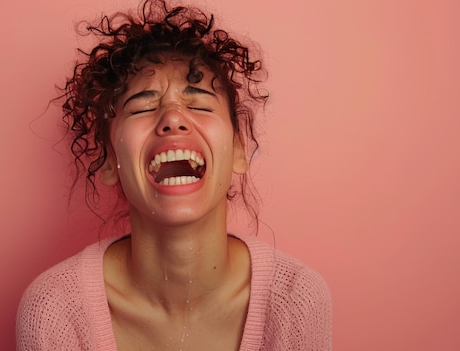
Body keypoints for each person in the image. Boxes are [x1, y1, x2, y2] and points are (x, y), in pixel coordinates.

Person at [16, 0, 332, 349]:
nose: (172, 117)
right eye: (143, 106)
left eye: (198, 104)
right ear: (108, 159)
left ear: (239, 151)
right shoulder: (55, 307)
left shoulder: (296, 298)